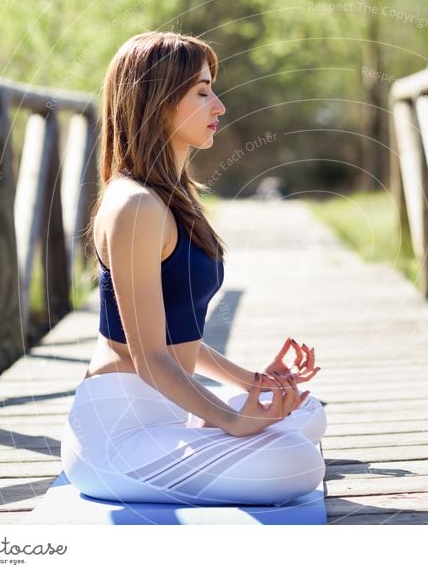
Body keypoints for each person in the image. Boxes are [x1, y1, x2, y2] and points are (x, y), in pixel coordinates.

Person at [60, 31, 326, 506]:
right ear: (156, 101)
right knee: (297, 462)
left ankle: (209, 432)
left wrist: (251, 382)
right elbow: (149, 356)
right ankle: (211, 434)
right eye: (202, 92)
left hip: (168, 410)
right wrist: (231, 419)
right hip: (117, 431)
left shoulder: (172, 196)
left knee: (309, 415)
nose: (219, 106)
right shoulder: (135, 206)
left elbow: (174, 335)